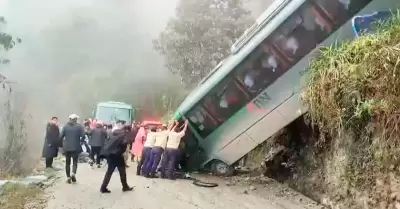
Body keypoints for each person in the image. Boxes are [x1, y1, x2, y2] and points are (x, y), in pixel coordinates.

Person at [99, 125, 133, 193]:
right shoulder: (123, 135)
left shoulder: (113, 133)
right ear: (127, 130)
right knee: (122, 171)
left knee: (109, 172)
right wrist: (121, 152)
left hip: (109, 154)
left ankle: (103, 187)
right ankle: (125, 186)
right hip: (117, 155)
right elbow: (124, 145)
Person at [60, 114, 85, 184]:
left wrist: (61, 145)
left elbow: (61, 136)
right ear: (76, 119)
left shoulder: (65, 126)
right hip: (76, 147)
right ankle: (73, 173)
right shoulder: (79, 126)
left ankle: (68, 177)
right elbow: (83, 135)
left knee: (67, 163)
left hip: (67, 147)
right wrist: (81, 141)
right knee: (75, 161)